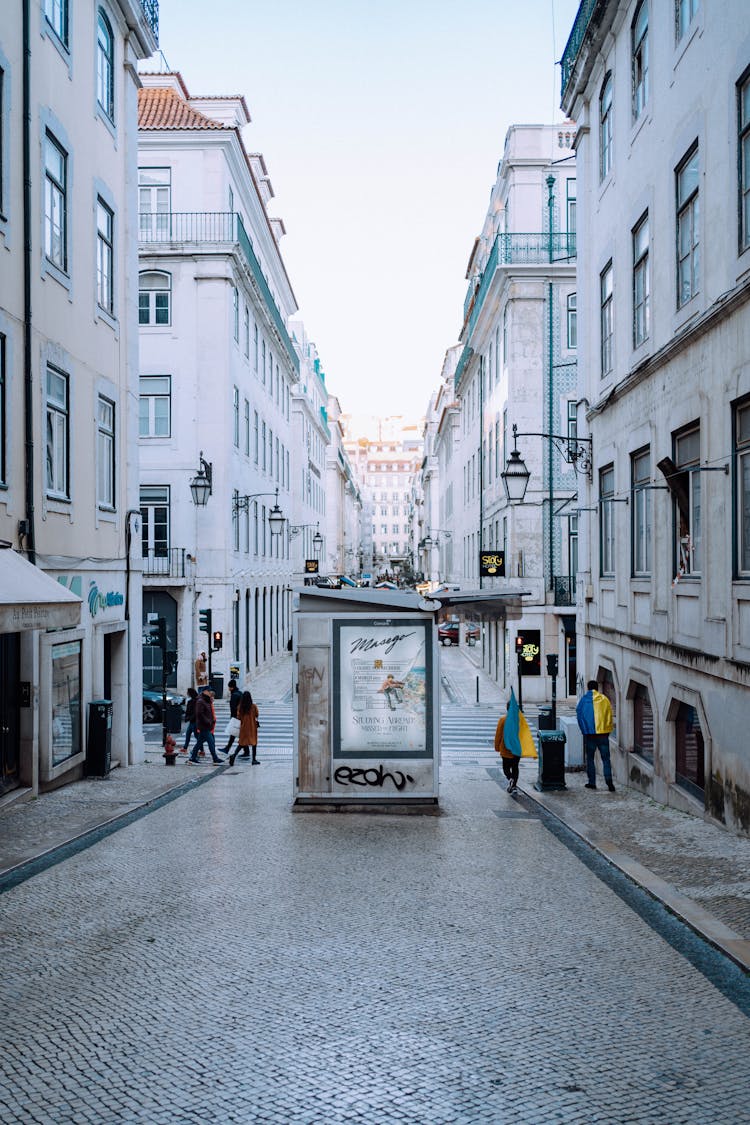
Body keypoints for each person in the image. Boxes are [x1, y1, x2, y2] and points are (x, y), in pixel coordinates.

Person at [576, 679, 616, 791]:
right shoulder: (604, 699)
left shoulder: (583, 700)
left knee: (590, 758)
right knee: (606, 759)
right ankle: (609, 782)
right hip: (603, 734)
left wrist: (584, 730)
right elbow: (609, 715)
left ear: (588, 688)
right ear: (597, 688)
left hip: (590, 735)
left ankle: (592, 782)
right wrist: (607, 730)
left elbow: (579, 716)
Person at [494, 689, 534, 794]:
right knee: (515, 767)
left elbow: (498, 735)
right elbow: (525, 735)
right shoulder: (520, 720)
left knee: (506, 767)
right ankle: (514, 785)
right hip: (516, 749)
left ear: (507, 709)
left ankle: (510, 779)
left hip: (505, 748)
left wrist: (497, 747)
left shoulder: (502, 720)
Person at [189, 688, 222, 764]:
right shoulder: (200, 701)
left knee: (199, 742)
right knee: (211, 741)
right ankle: (215, 758)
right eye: (208, 691)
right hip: (204, 725)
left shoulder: (206, 700)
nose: (210, 692)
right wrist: (207, 721)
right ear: (204, 692)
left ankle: (193, 757)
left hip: (206, 725)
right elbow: (199, 713)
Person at [229, 690, 259, 767]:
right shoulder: (253, 706)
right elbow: (257, 714)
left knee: (242, 743)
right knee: (254, 743)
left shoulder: (240, 707)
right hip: (252, 727)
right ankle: (254, 759)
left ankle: (234, 755)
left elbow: (239, 716)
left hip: (244, 728)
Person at [220, 679, 242, 754]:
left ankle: (227, 748)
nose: (228, 689)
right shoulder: (239, 693)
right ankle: (246, 751)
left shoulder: (234, 695)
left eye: (229, 687)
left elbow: (233, 708)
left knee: (234, 733)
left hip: (236, 717)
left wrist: (232, 718)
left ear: (231, 687)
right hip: (240, 716)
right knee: (237, 733)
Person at [182, 688, 198, 753]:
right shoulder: (192, 701)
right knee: (188, 734)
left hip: (194, 721)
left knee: (197, 737)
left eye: (188, 692)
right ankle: (185, 748)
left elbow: (194, 712)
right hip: (192, 721)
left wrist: (189, 718)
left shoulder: (194, 701)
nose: (187, 693)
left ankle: (202, 750)